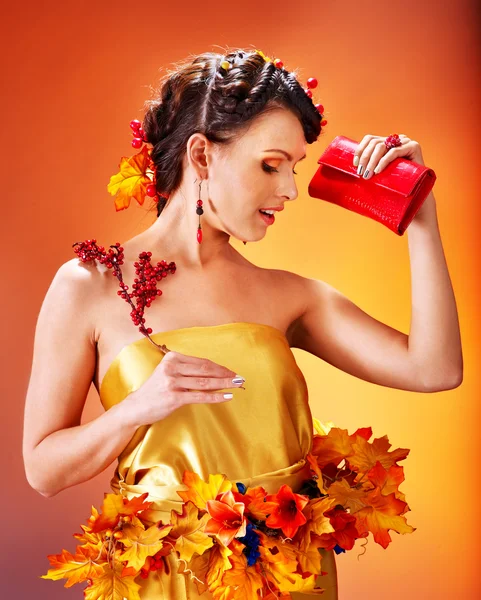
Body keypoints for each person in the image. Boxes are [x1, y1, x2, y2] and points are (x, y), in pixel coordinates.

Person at [23, 47, 463, 600]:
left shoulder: (290, 295)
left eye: (296, 168)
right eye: (271, 164)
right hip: (165, 582)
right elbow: (42, 470)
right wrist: (138, 408)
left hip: (291, 580)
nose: (291, 190)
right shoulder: (90, 285)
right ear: (202, 156)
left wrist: (419, 215)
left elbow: (435, 368)